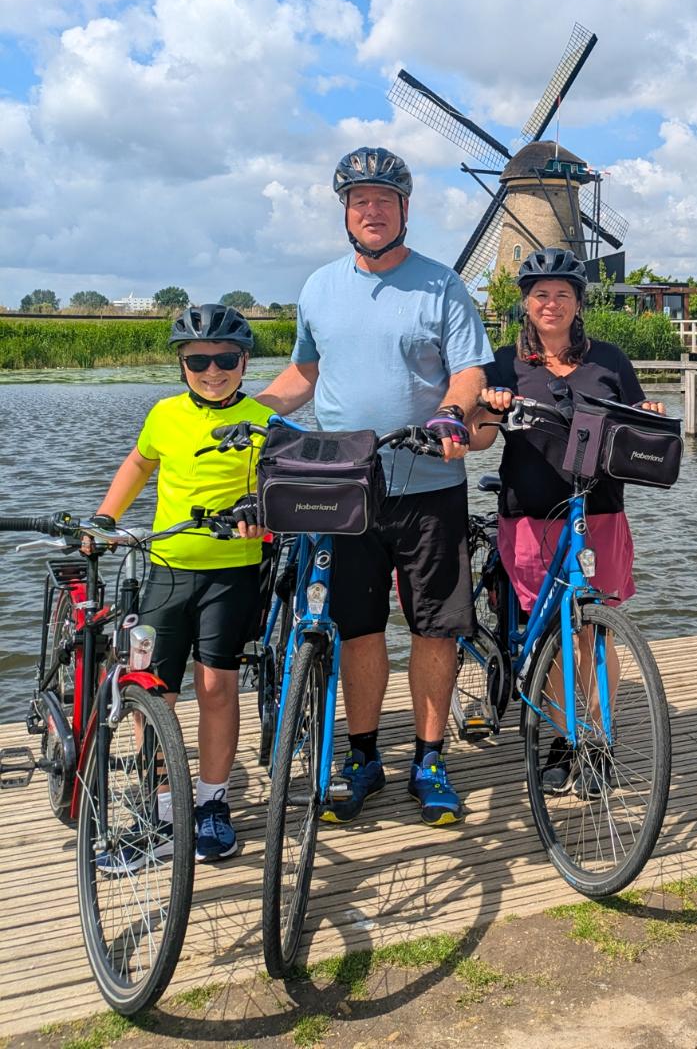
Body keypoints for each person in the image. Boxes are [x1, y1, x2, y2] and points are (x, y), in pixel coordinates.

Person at [252, 146, 490, 827]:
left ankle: (430, 757)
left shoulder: (442, 285)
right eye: (360, 201)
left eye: (385, 199)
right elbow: (304, 376)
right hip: (341, 484)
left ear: (405, 210)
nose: (373, 210)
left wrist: (450, 410)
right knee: (357, 628)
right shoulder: (320, 288)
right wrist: (249, 411)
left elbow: (469, 372)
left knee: (434, 627)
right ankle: (362, 756)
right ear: (346, 213)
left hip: (427, 480)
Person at [469, 247, 664, 793]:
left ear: (578, 303)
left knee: (594, 632)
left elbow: (635, 426)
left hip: (598, 511)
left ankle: (597, 738)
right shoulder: (506, 363)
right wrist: (487, 404)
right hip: (531, 513)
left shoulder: (610, 360)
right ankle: (562, 736)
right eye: (540, 294)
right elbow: (482, 437)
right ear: (526, 303)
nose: (550, 303)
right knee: (553, 634)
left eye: (562, 294)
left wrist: (648, 417)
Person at [89, 304, 275, 864]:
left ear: (244, 362)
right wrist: (103, 519)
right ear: (182, 363)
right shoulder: (165, 415)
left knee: (217, 688)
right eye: (198, 360)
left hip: (232, 572)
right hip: (167, 571)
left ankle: (213, 804)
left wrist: (265, 513)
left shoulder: (264, 420)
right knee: (154, 690)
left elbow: (284, 485)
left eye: (224, 359)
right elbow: (138, 465)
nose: (212, 370)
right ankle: (165, 807)